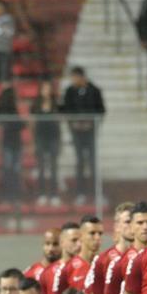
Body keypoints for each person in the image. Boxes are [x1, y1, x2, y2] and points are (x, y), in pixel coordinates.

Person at [61, 66, 106, 204]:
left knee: (92, 163)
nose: (73, 80)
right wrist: (73, 124)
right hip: (77, 133)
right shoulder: (69, 91)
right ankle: (80, 193)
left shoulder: (94, 91)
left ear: (81, 77)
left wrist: (92, 123)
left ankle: (96, 193)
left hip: (90, 132)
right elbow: (66, 110)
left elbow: (101, 110)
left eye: (75, 77)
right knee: (80, 162)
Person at [31, 81, 62, 206]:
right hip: (40, 137)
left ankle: (54, 194)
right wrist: (33, 140)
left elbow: (59, 120)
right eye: (44, 88)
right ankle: (42, 193)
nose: (46, 90)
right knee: (41, 167)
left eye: (48, 88)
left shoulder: (56, 103)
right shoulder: (36, 103)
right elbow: (33, 121)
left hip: (53, 136)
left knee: (54, 167)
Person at [0, 87, 24, 198]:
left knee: (14, 167)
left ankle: (13, 190)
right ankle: (9, 190)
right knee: (10, 167)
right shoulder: (5, 110)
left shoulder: (12, 109)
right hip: (9, 142)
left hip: (14, 142)